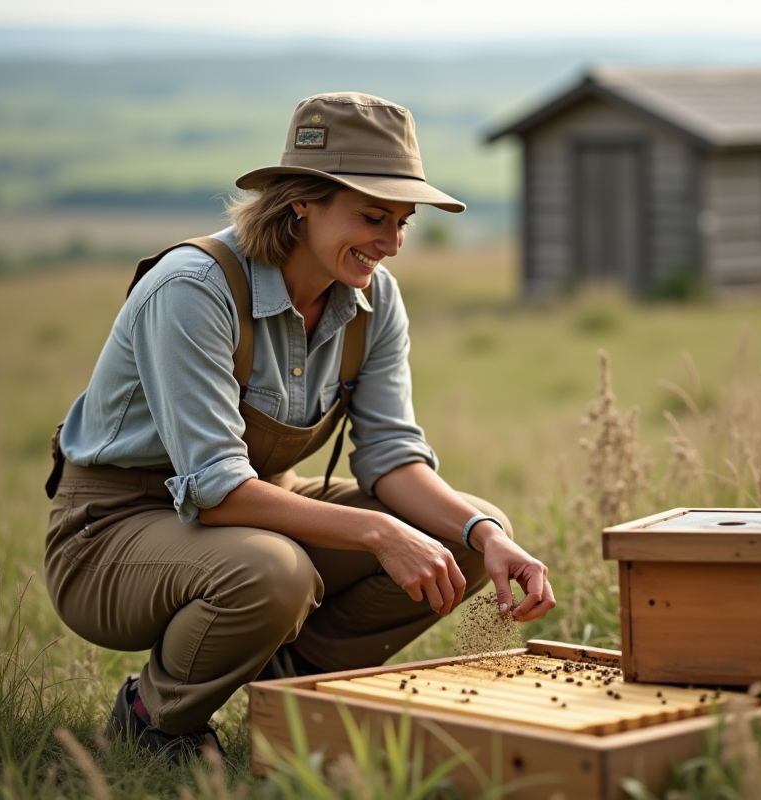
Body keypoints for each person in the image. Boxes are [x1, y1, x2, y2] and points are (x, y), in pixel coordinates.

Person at [43, 92, 555, 762]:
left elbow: (393, 457)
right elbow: (218, 489)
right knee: (274, 575)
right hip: (111, 534)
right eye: (373, 217)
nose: (392, 244)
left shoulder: (374, 300)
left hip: (260, 511)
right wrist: (378, 532)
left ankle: (288, 696)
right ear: (300, 202)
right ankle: (154, 720)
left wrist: (486, 535)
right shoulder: (193, 289)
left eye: (403, 222)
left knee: (457, 531)